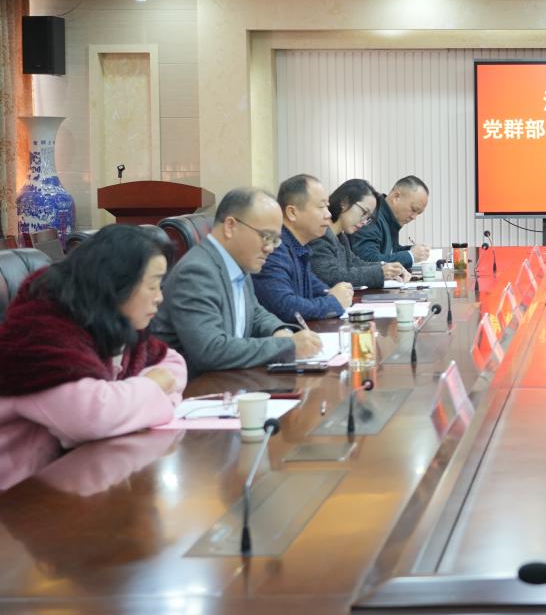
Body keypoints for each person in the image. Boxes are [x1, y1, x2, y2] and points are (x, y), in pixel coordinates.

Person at [0, 225, 187, 490]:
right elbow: (94, 418)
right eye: (152, 285)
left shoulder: (107, 320)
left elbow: (174, 364)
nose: (159, 298)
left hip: (68, 481)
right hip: (17, 496)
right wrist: (153, 387)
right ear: (117, 284)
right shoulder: (40, 334)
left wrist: (134, 401)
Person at [151, 187, 322, 373]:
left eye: (275, 240)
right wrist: (288, 346)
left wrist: (278, 331)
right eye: (266, 237)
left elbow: (255, 313)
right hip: (196, 385)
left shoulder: (237, 261)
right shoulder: (196, 272)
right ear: (230, 226)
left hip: (228, 379)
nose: (270, 248)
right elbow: (211, 350)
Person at [252, 174, 354, 321]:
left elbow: (318, 289)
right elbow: (285, 306)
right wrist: (334, 302)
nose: (328, 214)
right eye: (321, 207)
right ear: (292, 212)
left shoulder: (299, 247)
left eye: (327, 207)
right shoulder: (274, 248)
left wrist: (337, 293)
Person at [310, 179, 412, 288]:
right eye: (364, 212)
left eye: (368, 217)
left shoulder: (340, 237)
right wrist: (380, 273)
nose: (364, 221)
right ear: (344, 203)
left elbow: (355, 263)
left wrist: (389, 268)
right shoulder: (320, 234)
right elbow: (329, 276)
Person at [351, 175, 431, 268]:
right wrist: (410, 256)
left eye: (419, 213)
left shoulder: (388, 218)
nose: (414, 217)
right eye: (413, 209)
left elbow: (390, 252)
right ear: (396, 197)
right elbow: (368, 260)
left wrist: (412, 250)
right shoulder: (372, 215)